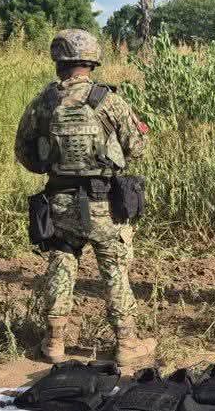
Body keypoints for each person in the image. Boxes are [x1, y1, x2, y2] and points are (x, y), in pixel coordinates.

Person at [14, 28, 156, 368]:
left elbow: (26, 153)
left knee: (62, 264)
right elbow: (136, 148)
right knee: (114, 269)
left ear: (58, 61)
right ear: (92, 60)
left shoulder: (42, 103)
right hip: (103, 203)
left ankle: (54, 342)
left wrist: (52, 164)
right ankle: (126, 343)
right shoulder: (109, 100)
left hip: (59, 201)